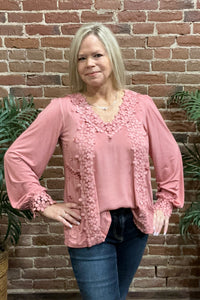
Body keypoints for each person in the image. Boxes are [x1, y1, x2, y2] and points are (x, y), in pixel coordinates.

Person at [4, 23, 184, 300]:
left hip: (135, 227)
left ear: (112, 56)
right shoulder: (63, 110)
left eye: (97, 55)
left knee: (118, 296)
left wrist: (165, 202)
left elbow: (169, 156)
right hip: (87, 227)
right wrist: (44, 204)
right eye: (81, 57)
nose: (90, 63)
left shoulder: (142, 106)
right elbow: (17, 157)